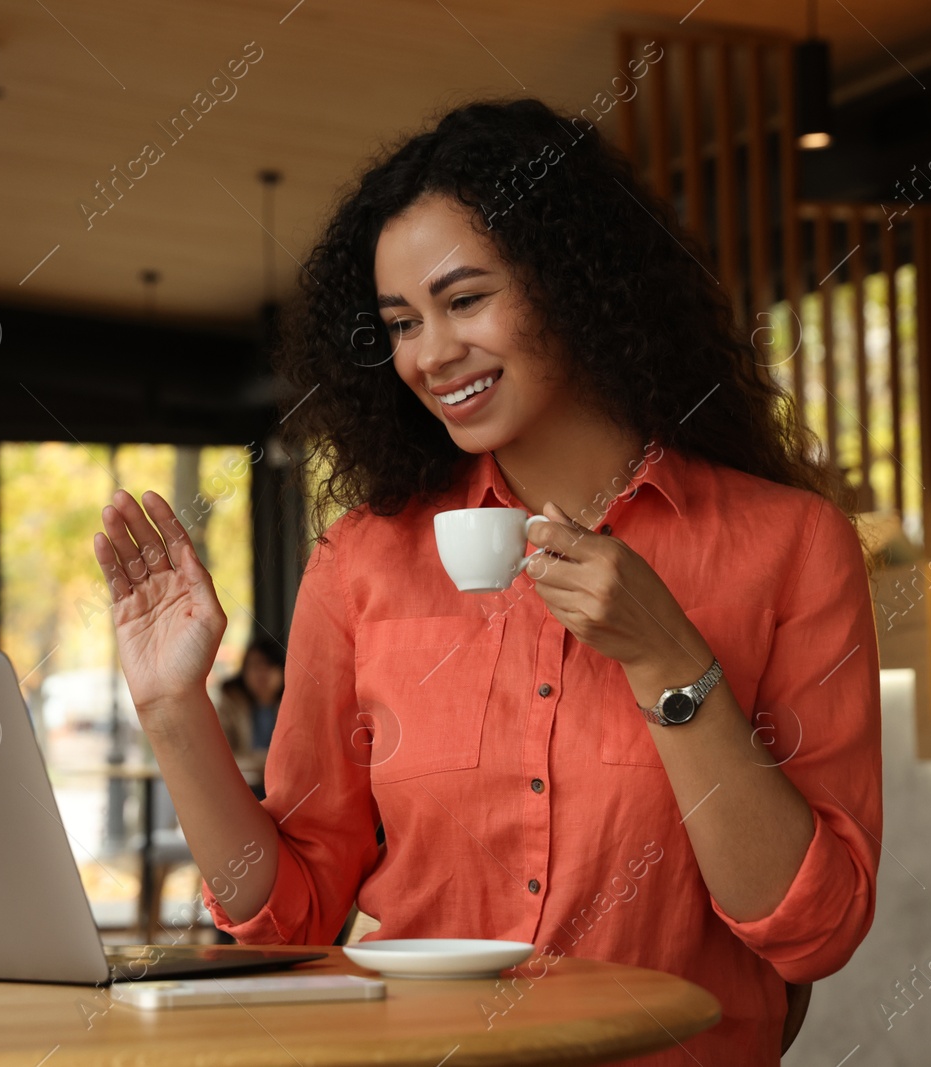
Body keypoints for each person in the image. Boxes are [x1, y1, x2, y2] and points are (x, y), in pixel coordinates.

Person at [90, 97, 880, 1066]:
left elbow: (810, 930)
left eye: (464, 300)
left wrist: (670, 663)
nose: (428, 354)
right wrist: (172, 708)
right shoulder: (361, 560)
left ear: (573, 281)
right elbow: (287, 914)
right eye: (400, 323)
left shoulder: (789, 545)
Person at [213, 636, 286, 798]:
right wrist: (267, 761)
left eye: (268, 665)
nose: (261, 674)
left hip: (282, 792)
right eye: (254, 666)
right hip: (239, 790)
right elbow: (221, 757)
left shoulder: (293, 704)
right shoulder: (231, 702)